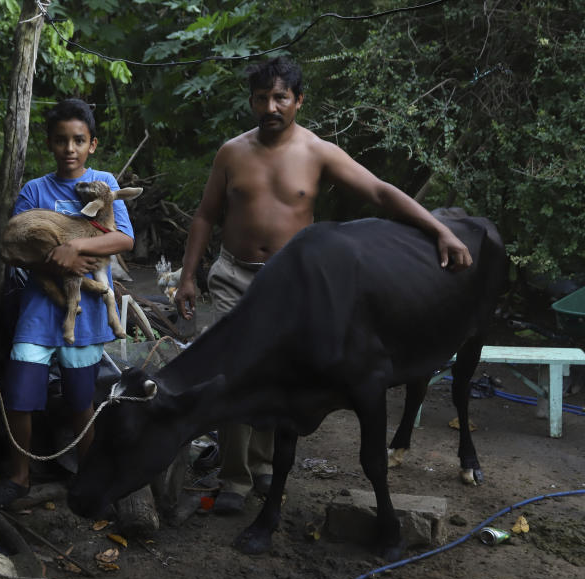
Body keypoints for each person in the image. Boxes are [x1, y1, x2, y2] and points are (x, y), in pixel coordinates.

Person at [174, 56, 472, 515]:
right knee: (230, 374)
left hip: (293, 286)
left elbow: (378, 191)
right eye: (261, 98)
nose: (270, 106)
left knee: (281, 372)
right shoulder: (232, 152)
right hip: (234, 275)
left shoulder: (317, 151)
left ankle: (264, 462)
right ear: (251, 101)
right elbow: (205, 216)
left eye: (280, 97)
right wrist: (189, 276)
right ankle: (235, 478)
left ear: (298, 100)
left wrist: (440, 230)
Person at [0, 98, 134, 509]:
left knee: (81, 398)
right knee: (19, 390)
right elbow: (19, 244)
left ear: (92, 144)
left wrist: (77, 246)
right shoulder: (35, 191)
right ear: (49, 143)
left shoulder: (102, 182)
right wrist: (58, 257)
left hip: (85, 317)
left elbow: (123, 239)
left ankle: (88, 477)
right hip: (39, 308)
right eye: (62, 140)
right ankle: (19, 476)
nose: (70, 148)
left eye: (78, 140)